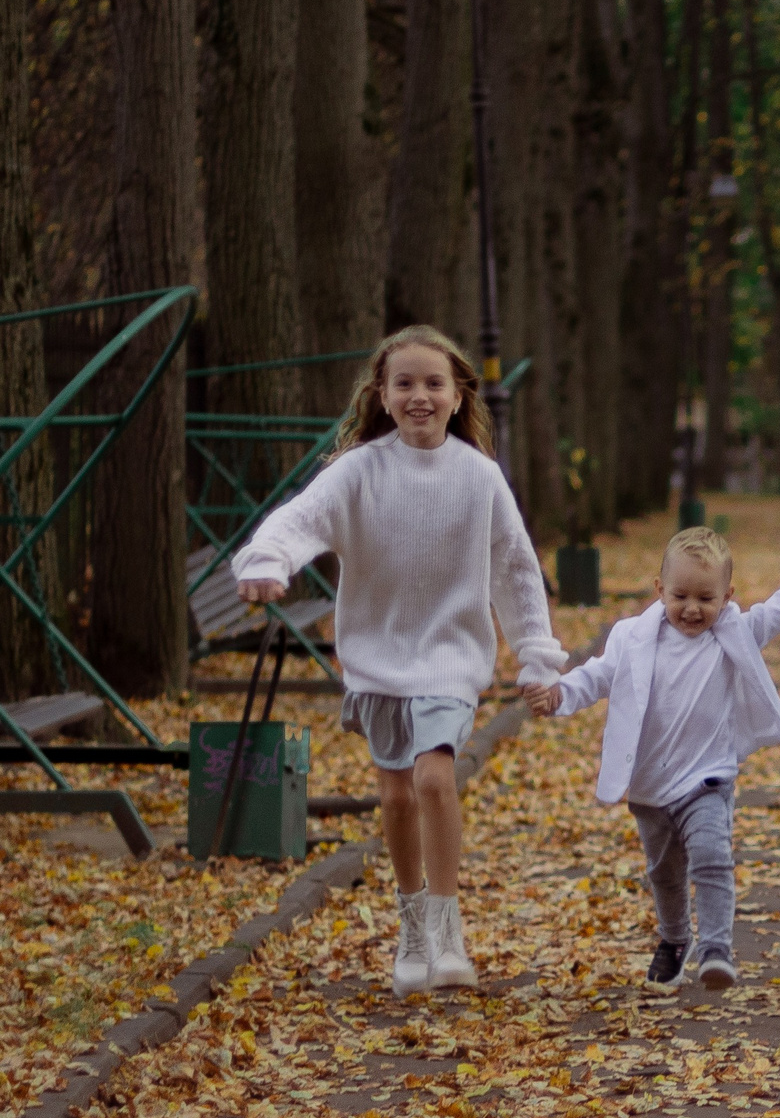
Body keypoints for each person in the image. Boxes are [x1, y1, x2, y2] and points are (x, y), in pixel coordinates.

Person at [233, 324, 564, 997]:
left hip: (449, 657)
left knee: (435, 780)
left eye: (433, 383)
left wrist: (536, 654)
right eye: (405, 383)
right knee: (393, 795)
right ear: (382, 395)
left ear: (457, 394)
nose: (420, 395)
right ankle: (411, 925)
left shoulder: (479, 477)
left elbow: (517, 569)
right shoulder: (359, 470)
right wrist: (269, 563)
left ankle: (448, 934)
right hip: (378, 659)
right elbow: (299, 521)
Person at [521, 524, 780, 992]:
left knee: (711, 854)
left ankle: (716, 948)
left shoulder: (733, 633)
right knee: (664, 873)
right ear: (660, 589)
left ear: (727, 596)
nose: (692, 608)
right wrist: (559, 694)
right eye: (680, 595)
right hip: (650, 784)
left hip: (707, 777)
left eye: (706, 597)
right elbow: (597, 676)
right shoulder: (633, 638)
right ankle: (674, 938)